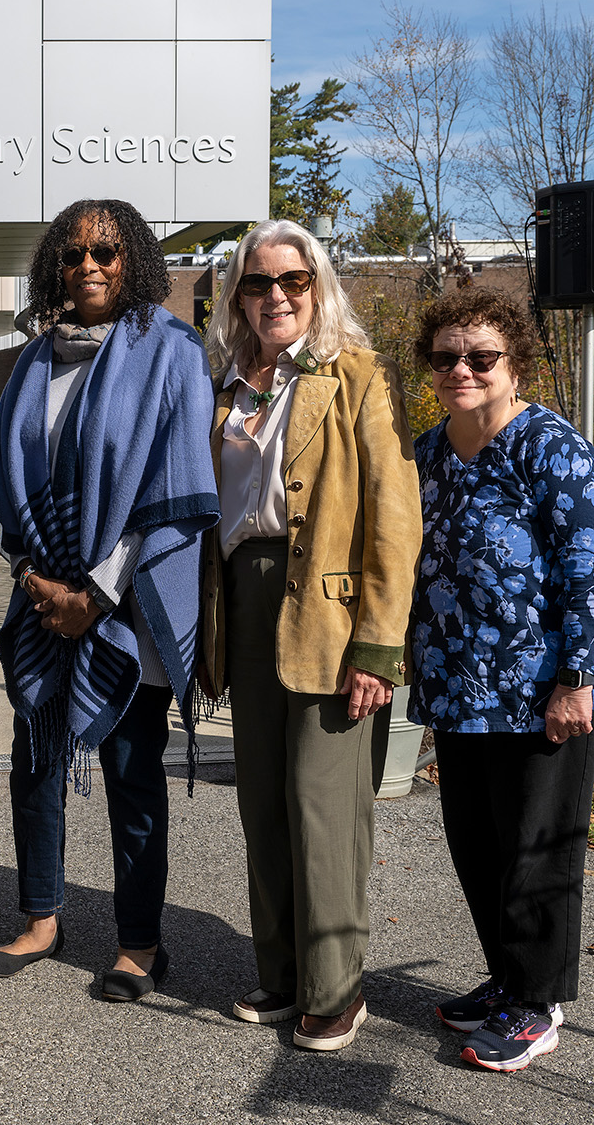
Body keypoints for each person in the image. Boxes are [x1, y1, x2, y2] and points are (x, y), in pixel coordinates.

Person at [0, 199, 218, 1003]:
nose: (89, 266)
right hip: (43, 596)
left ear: (135, 260)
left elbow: (173, 489)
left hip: (125, 604)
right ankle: (42, 918)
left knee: (130, 771)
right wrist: (32, 578)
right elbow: (8, 482)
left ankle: (140, 943)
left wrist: (98, 593)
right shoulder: (32, 360)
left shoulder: (172, 352)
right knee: (36, 761)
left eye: (107, 252)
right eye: (74, 253)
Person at [198, 219, 419, 1051]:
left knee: (322, 804)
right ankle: (283, 972)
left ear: (317, 288)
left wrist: (378, 647)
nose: (275, 297)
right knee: (261, 799)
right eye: (258, 284)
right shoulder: (222, 382)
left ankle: (337, 989)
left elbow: (395, 523)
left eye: (293, 281)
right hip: (245, 605)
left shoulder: (357, 376)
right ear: (238, 296)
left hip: (330, 612)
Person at [410, 286, 594, 1073]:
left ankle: (536, 1004)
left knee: (537, 853)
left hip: (546, 693)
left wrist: (578, 677)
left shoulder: (551, 447)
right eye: (446, 357)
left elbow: (593, 568)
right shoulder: (430, 453)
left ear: (515, 362)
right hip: (462, 691)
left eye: (481, 356)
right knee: (479, 845)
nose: (461, 369)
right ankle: (506, 979)